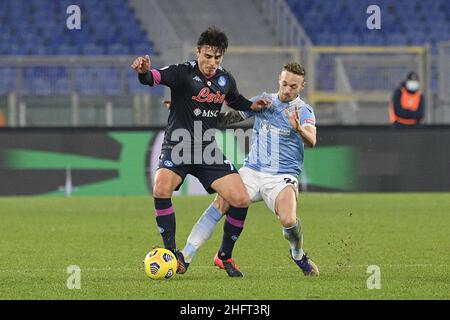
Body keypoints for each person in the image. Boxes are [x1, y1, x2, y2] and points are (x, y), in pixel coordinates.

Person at [131, 26, 269, 276]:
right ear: (198, 53)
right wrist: (143, 72)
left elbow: (235, 100)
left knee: (240, 199)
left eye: (217, 57)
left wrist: (252, 105)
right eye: (207, 56)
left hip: (207, 149)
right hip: (178, 145)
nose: (212, 62)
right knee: (161, 188)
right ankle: (172, 255)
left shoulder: (225, 79)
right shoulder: (182, 72)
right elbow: (153, 78)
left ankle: (225, 256)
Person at [180, 62, 319, 276]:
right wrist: (190, 111)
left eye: (293, 86)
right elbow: (228, 119)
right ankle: (186, 256)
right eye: (284, 84)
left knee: (289, 220)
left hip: (282, 177)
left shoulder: (303, 110)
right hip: (252, 171)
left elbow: (312, 140)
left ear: (302, 86)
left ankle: (298, 254)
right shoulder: (264, 101)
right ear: (279, 80)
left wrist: (299, 129)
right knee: (220, 203)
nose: (287, 90)